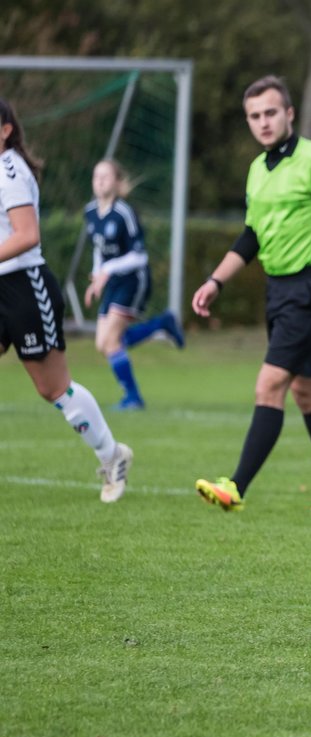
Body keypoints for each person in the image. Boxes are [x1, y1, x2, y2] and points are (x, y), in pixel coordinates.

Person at [190, 75, 311, 513]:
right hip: (279, 290)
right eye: (254, 116)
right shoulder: (256, 169)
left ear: (289, 113)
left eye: (270, 113)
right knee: (308, 393)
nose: (263, 123)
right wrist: (215, 281)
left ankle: (236, 486)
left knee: (270, 384)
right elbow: (251, 236)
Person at [0, 98, 132, 502]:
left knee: (53, 388)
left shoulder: (9, 170)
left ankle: (112, 456)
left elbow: (27, 235)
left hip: (24, 286)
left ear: (5, 130)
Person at [82, 158, 185, 411]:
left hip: (134, 279)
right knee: (102, 344)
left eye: (106, 176)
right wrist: (97, 277)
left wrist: (107, 270)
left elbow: (140, 256)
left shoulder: (124, 213)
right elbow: (99, 251)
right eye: (96, 176)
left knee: (111, 341)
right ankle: (162, 323)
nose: (100, 181)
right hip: (113, 281)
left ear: (117, 183)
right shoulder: (90, 212)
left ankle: (133, 398)